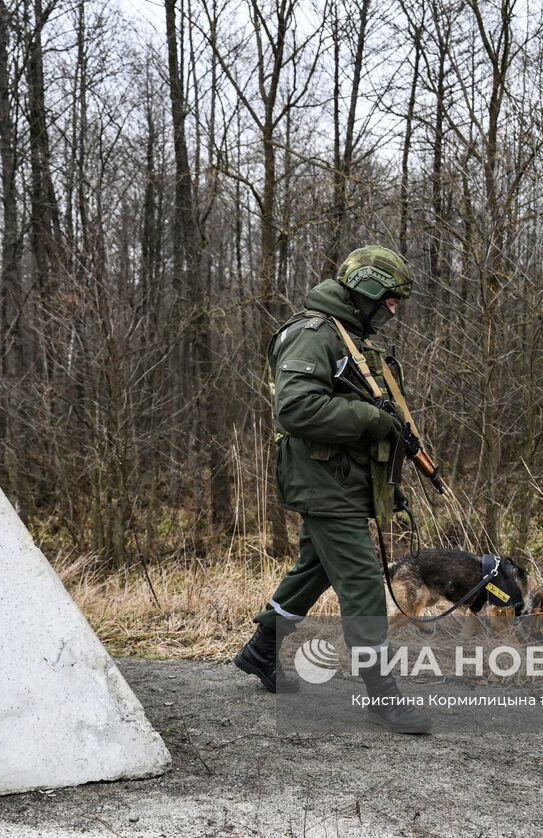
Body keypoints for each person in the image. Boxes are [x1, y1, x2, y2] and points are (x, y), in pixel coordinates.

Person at [233, 244, 432, 735]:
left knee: (315, 567)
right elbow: (296, 409)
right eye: (388, 298)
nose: (392, 309)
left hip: (340, 480)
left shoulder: (349, 338)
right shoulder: (313, 334)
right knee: (363, 581)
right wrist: (372, 419)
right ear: (364, 290)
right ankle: (382, 693)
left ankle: (260, 650)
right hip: (320, 481)